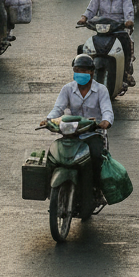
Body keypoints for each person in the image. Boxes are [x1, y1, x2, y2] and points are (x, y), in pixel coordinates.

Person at [46, 54, 114, 209]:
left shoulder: (101, 90)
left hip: (93, 133)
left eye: (83, 70)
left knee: (97, 159)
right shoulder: (68, 89)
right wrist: (49, 119)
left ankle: (97, 191)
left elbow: (107, 111)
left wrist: (105, 122)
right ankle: (52, 190)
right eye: (76, 70)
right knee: (54, 157)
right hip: (72, 132)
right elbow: (58, 108)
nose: (79, 73)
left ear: (91, 72)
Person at [78, 0, 137, 85]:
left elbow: (129, 13)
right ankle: (81, 72)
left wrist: (129, 21)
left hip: (118, 31)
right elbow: (91, 10)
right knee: (83, 48)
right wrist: (84, 18)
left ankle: (126, 72)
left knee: (127, 44)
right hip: (102, 30)